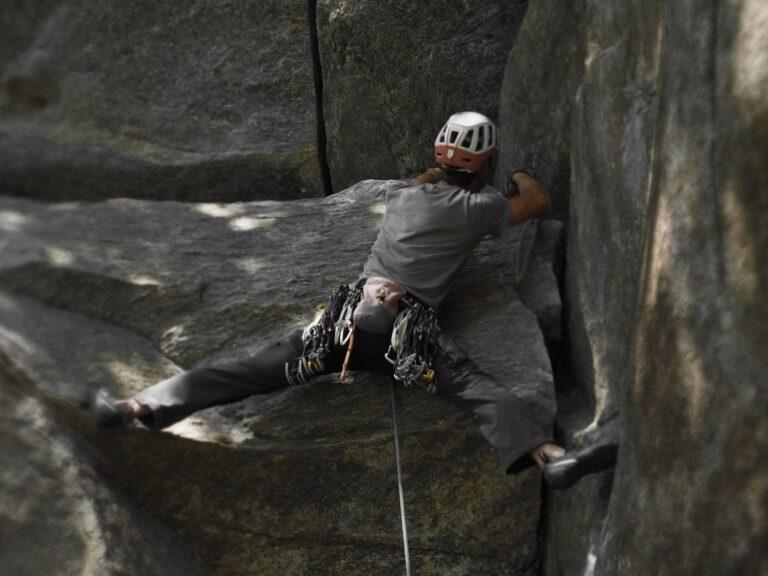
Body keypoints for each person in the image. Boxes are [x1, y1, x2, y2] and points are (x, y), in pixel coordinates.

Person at [91, 111, 615, 488]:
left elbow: (422, 181)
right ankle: (550, 456)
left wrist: (439, 173)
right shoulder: (479, 208)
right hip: (405, 341)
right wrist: (517, 177)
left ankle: (135, 405)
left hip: (340, 332)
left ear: (438, 159)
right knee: (477, 390)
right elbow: (539, 203)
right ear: (485, 165)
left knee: (245, 372)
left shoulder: (405, 198)